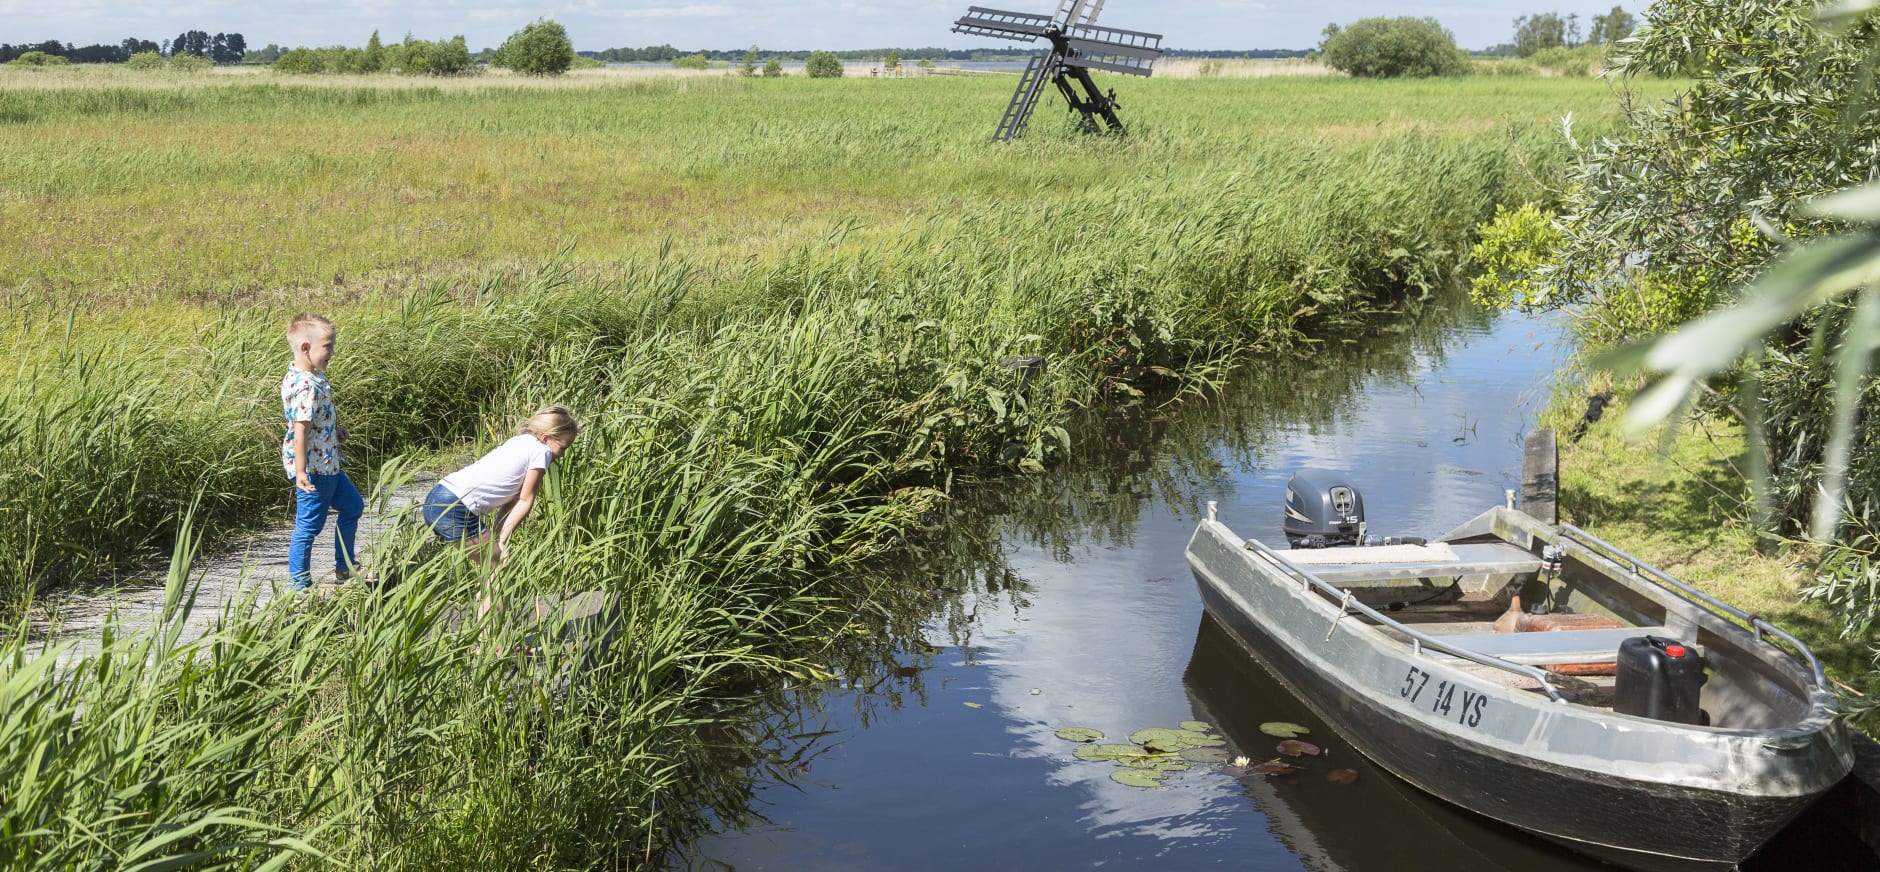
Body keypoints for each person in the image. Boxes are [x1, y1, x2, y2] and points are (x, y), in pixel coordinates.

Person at [421, 405, 580, 615]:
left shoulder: (520, 441)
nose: (562, 454)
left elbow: (511, 499)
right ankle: (489, 644)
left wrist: (497, 536)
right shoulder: (541, 452)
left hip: (439, 496)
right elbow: (525, 500)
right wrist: (502, 540)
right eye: (563, 447)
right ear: (546, 437)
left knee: (492, 568)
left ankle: (484, 632)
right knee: (498, 565)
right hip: (457, 507)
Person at [281, 312, 363, 591]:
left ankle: (344, 565)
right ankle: (300, 585)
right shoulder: (305, 385)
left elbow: (314, 420)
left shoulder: (311, 377)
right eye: (327, 346)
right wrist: (301, 472)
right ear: (306, 348)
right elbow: (299, 431)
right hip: (314, 469)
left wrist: (334, 430)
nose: (332, 352)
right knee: (308, 527)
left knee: (353, 507)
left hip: (329, 463)